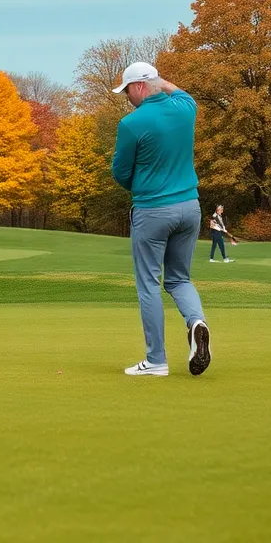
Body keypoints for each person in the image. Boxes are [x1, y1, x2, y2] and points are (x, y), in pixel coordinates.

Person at [110, 62, 211, 377]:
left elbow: (120, 172)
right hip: (190, 208)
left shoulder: (131, 123)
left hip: (152, 210)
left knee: (149, 284)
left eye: (128, 90)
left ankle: (156, 361)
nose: (127, 96)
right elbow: (179, 91)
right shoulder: (185, 109)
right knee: (179, 279)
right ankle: (197, 322)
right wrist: (158, 80)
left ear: (139, 86)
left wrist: (141, 186)